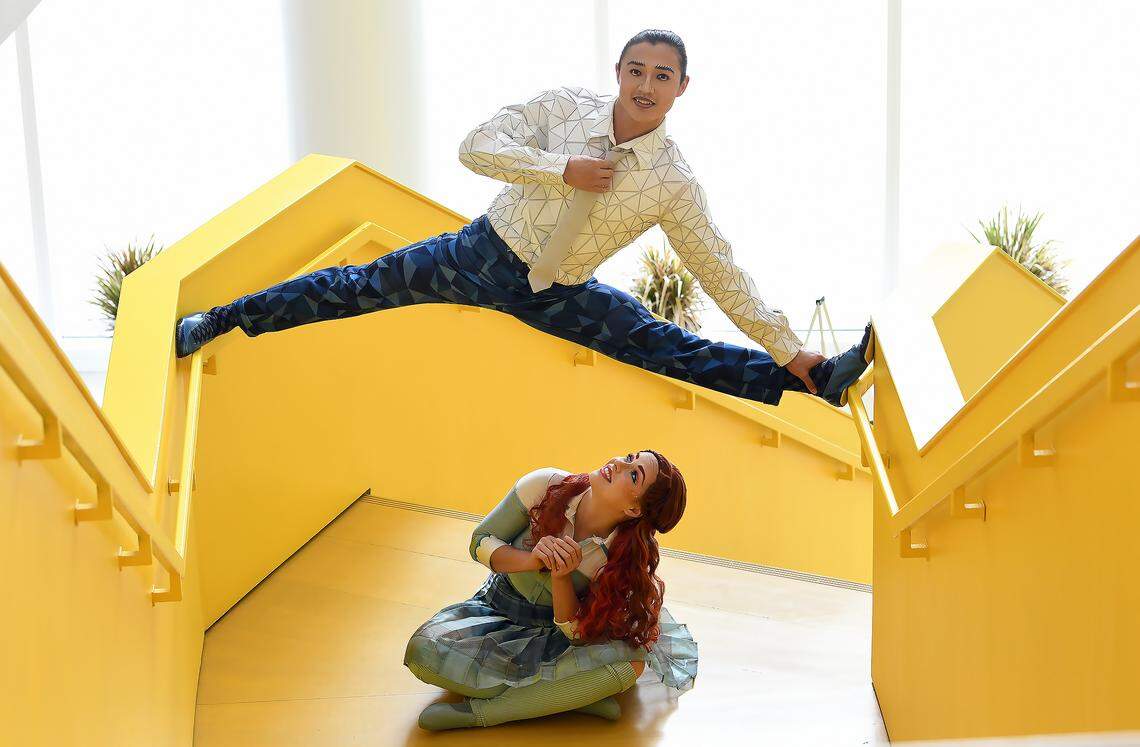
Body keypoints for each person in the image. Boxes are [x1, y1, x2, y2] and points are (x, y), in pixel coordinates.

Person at [174, 28, 873, 408]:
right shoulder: (564, 108)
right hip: (478, 255)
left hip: (557, 292)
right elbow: (475, 145)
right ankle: (225, 318)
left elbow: (720, 272)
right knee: (354, 285)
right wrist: (560, 171)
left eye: (662, 76)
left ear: (682, 87)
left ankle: (811, 378)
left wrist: (787, 344)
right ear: (619, 70)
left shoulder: (672, 183)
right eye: (636, 69)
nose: (646, 85)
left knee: (665, 344)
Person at [404, 450, 695, 730]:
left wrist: (561, 578)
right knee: (421, 652)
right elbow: (480, 542)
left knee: (631, 668)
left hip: (556, 637)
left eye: (634, 475)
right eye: (629, 457)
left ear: (634, 509)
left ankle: (487, 713)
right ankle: (565, 699)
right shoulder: (546, 484)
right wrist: (532, 560)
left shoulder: (623, 559)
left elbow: (578, 634)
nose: (619, 463)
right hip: (495, 609)